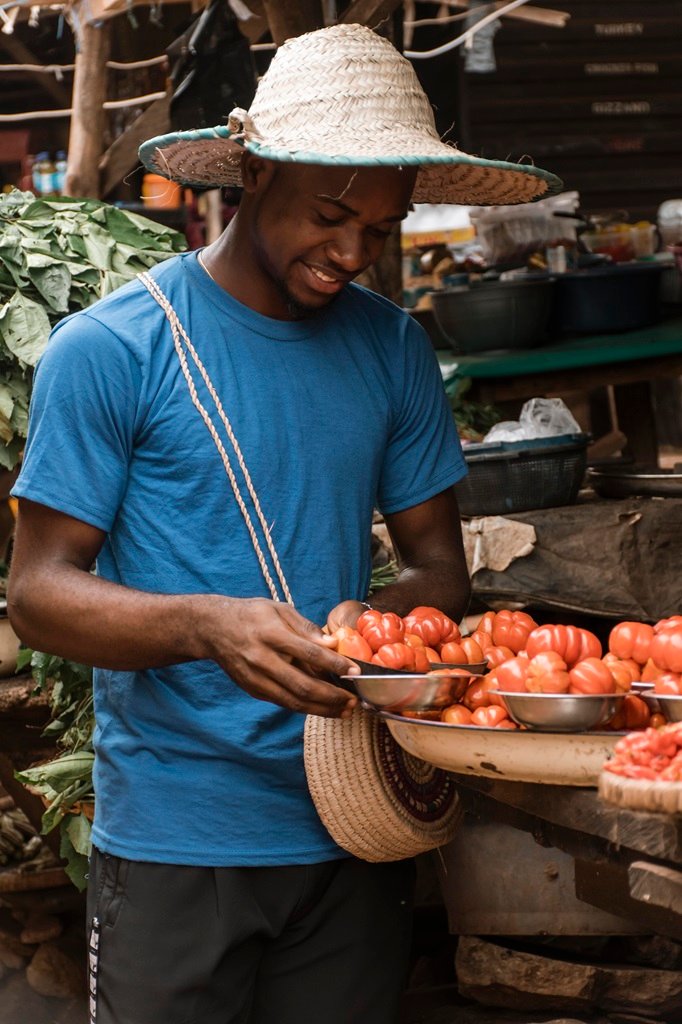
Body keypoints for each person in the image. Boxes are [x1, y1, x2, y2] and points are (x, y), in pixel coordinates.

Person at [8, 23, 559, 1024]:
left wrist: (372, 625)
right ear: (253, 169)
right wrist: (202, 625)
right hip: (179, 835)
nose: (351, 253)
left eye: (381, 229)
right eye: (329, 214)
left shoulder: (391, 350)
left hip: (357, 823)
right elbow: (38, 592)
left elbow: (442, 569)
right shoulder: (109, 352)